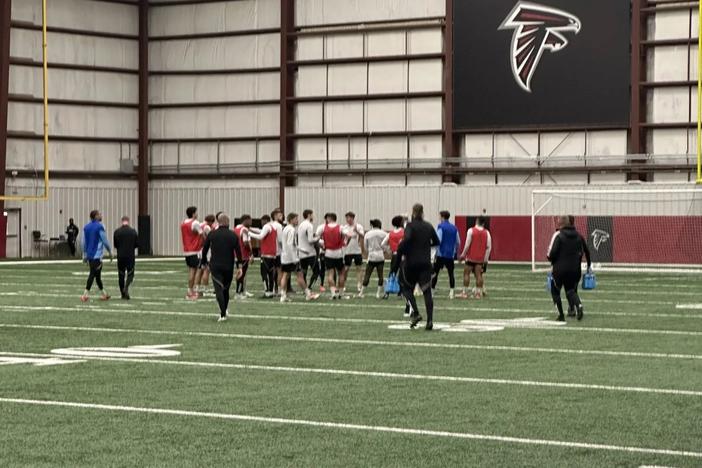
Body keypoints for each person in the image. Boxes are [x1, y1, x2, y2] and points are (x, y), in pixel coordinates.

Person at [397, 204, 439, 330]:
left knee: (405, 287)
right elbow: (436, 242)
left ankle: (415, 312)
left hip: (411, 264)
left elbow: (408, 239)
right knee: (427, 292)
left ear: (413, 213)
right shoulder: (428, 226)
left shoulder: (410, 226)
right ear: (422, 212)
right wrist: (425, 245)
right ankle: (430, 320)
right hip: (425, 263)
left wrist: (402, 248)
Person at [201, 214, 243, 322]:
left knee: (218, 288)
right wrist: (240, 266)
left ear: (218, 222)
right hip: (229, 265)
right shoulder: (233, 235)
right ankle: (225, 309)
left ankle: (223, 313)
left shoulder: (212, 234)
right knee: (226, 289)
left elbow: (204, 249)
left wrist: (204, 261)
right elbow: (238, 252)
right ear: (228, 222)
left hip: (215, 265)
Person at [548, 215, 589, 322]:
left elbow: (552, 253)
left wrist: (551, 259)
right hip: (575, 269)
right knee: (570, 290)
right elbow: (585, 251)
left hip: (560, 269)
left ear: (561, 223)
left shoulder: (558, 235)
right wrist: (588, 265)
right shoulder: (579, 235)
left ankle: (560, 315)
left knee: (555, 291)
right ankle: (578, 305)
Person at [280, 213, 320, 302]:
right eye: (296, 219)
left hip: (285, 257)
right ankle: (308, 294)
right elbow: (290, 245)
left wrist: (301, 250)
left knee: (285, 275)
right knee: (300, 275)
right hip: (291, 257)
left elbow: (291, 244)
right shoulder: (291, 230)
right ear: (291, 220)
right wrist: (294, 258)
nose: (297, 221)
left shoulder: (285, 229)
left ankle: (283, 296)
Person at [80, 210, 113, 302]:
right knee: (93, 274)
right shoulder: (100, 226)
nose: (101, 215)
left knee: (97, 276)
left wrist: (84, 254)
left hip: (90, 255)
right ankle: (85, 295)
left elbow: (83, 242)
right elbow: (104, 240)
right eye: (99, 214)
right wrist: (110, 251)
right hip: (97, 255)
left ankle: (104, 294)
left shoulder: (86, 227)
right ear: (95, 216)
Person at [459, 216, 492, 299]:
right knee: (479, 275)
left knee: (466, 274)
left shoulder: (471, 231)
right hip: (480, 258)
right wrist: (485, 259)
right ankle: (478, 293)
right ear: (483, 223)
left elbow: (467, 244)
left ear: (476, 221)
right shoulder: (487, 232)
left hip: (471, 257)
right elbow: (488, 247)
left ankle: (464, 293)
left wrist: (463, 254)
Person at [317, 212, 347, 299]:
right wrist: (344, 242)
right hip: (338, 253)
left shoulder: (322, 227)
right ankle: (341, 294)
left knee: (330, 273)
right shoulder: (340, 227)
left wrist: (322, 244)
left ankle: (333, 293)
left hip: (328, 252)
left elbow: (316, 237)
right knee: (341, 273)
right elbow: (347, 234)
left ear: (329, 218)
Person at [432, 211, 461, 299]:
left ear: (443, 217)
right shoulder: (454, 228)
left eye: (440, 216)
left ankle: (432, 291)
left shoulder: (441, 227)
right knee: (451, 273)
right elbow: (458, 242)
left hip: (441, 254)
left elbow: (438, 240)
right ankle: (451, 292)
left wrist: (434, 250)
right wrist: (455, 251)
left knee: (435, 273)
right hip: (450, 255)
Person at [249, 214, 278, 298]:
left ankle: (266, 291)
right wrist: (250, 229)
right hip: (273, 254)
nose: (261, 223)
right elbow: (260, 231)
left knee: (264, 273)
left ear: (265, 220)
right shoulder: (273, 227)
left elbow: (261, 236)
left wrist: (249, 233)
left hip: (266, 254)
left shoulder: (266, 226)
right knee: (271, 274)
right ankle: (271, 291)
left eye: (262, 221)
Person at [181, 206, 204, 300]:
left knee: (191, 271)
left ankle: (189, 291)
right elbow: (201, 234)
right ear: (193, 213)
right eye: (196, 212)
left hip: (187, 251)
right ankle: (195, 291)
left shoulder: (183, 223)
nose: (197, 214)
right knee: (198, 271)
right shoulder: (195, 223)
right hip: (195, 250)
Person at [113, 216, 139, 300]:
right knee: (130, 273)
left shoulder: (117, 232)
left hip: (120, 256)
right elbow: (136, 244)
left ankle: (122, 293)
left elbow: (115, 245)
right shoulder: (133, 232)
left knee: (121, 274)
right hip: (130, 256)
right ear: (128, 221)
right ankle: (126, 287)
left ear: (122, 221)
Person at [360, 219, 386, 299]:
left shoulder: (368, 234)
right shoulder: (384, 233)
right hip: (380, 255)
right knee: (380, 275)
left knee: (367, 274)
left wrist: (369, 252)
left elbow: (365, 246)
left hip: (371, 255)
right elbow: (386, 245)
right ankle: (378, 293)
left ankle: (361, 292)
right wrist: (383, 251)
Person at [381, 215, 405, 300]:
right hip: (403, 256)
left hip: (394, 255)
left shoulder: (390, 233)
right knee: (402, 274)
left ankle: (387, 293)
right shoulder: (404, 232)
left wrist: (389, 250)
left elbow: (383, 244)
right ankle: (400, 293)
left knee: (392, 273)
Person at [342, 212, 365, 293]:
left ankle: (359, 285)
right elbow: (343, 237)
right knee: (346, 269)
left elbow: (362, 236)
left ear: (353, 218)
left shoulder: (359, 226)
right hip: (347, 251)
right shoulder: (344, 227)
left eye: (349, 218)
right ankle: (343, 285)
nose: (348, 219)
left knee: (359, 268)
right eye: (347, 218)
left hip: (357, 251)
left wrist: (356, 231)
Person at [297, 209, 319, 290]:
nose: (313, 216)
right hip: (310, 253)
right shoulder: (309, 225)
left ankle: (305, 289)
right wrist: (318, 238)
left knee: (304, 272)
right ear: (309, 215)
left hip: (301, 253)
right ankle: (309, 288)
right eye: (312, 215)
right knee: (316, 272)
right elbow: (310, 240)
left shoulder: (300, 225)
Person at [234, 215, 254, 299]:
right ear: (245, 220)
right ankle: (238, 293)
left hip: (237, 254)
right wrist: (250, 253)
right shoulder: (244, 229)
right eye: (249, 220)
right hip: (243, 255)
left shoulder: (236, 228)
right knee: (242, 274)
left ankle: (243, 291)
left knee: (242, 274)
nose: (251, 222)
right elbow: (245, 242)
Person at [197, 214, 216, 296]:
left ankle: (197, 287)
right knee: (207, 270)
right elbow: (209, 239)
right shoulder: (207, 227)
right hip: (206, 250)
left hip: (200, 249)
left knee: (200, 270)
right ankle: (204, 288)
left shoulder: (201, 225)